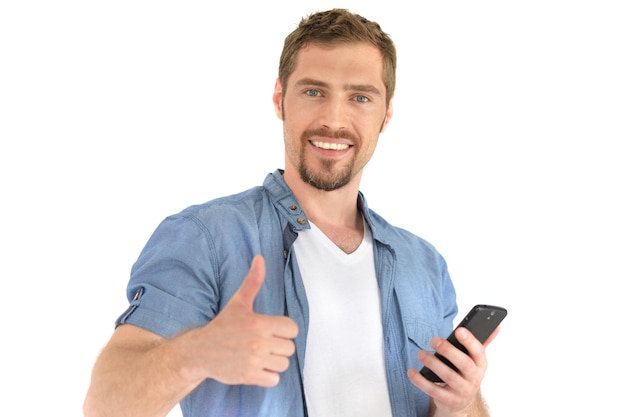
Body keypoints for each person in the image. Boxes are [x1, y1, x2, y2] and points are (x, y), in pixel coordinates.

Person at [84, 8, 500, 417]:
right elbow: (104, 405)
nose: (334, 120)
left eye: (360, 97)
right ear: (280, 99)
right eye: (314, 91)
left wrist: (461, 405)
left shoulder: (424, 265)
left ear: (385, 115)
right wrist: (193, 353)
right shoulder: (206, 238)